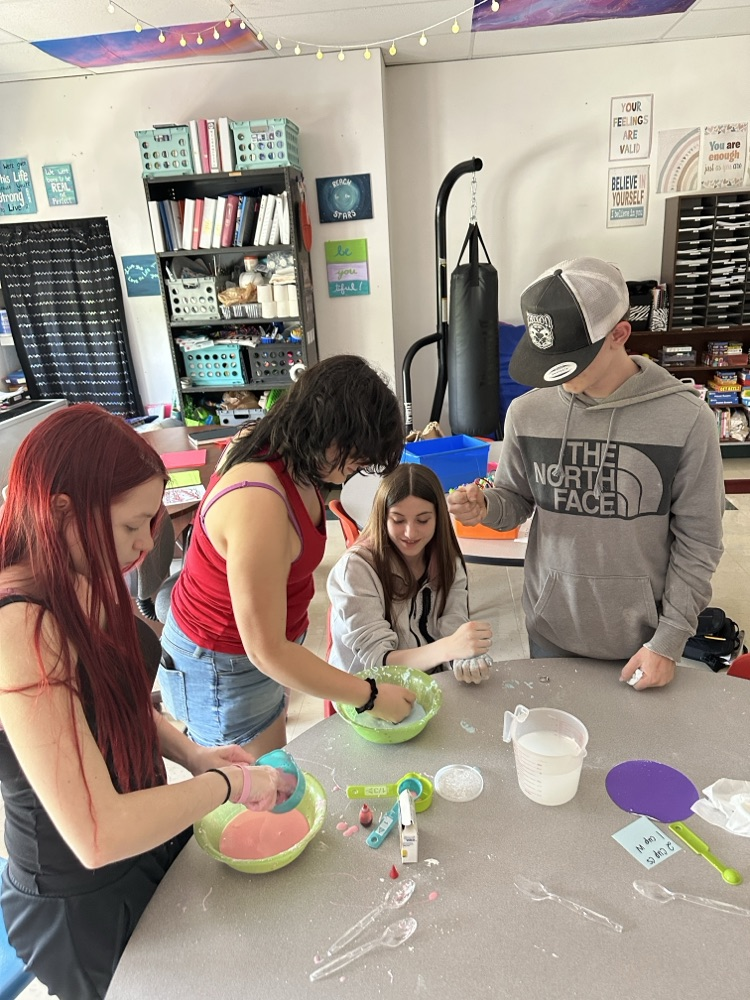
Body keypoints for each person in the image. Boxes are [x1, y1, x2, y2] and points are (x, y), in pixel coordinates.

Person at [0, 404, 294, 1000]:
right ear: (62, 510)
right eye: (131, 526)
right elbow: (96, 833)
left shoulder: (84, 569)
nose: (142, 547)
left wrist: (196, 755)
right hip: (83, 900)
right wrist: (231, 787)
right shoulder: (22, 631)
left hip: (147, 833)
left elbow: (123, 702)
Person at [448, 256, 724, 690]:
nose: (559, 375)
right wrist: (485, 507)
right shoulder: (527, 413)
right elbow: (516, 501)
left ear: (620, 334)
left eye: (572, 358)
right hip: (550, 628)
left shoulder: (686, 419)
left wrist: (669, 640)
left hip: (641, 639)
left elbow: (700, 541)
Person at [158, 354, 416, 756]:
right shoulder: (258, 501)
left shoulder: (293, 457)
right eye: (357, 455)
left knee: (272, 770)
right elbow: (266, 650)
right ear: (328, 432)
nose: (360, 466)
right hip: (221, 662)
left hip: (256, 656)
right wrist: (368, 694)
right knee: (254, 793)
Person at [327, 464, 493, 683]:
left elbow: (453, 624)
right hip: (368, 690)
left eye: (423, 520)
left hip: (428, 679)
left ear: (438, 518)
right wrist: (448, 649)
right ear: (382, 517)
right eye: (398, 520)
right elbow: (377, 661)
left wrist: (462, 659)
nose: (410, 532)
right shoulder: (356, 569)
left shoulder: (448, 560)